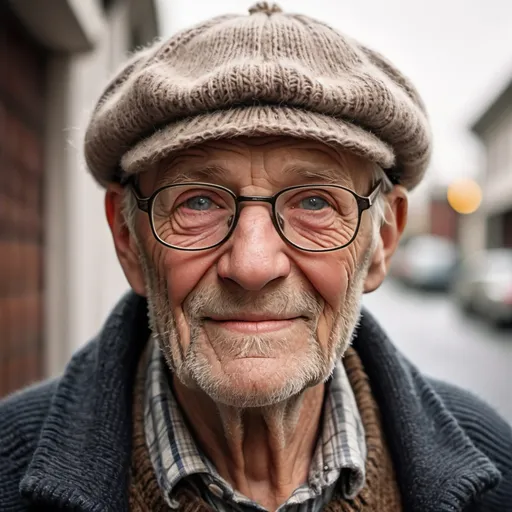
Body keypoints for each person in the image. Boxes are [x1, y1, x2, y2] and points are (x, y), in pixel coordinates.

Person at [1, 3, 511, 511]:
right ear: (128, 239)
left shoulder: (496, 466)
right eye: (198, 201)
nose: (252, 265)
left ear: (381, 243)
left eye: (315, 201)